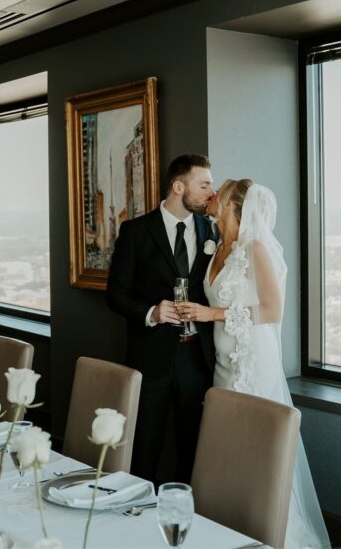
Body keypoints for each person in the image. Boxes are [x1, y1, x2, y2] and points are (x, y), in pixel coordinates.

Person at [179, 179, 331, 549]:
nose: (212, 196)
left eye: (220, 193)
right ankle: (229, 530)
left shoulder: (256, 248)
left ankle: (272, 535)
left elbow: (271, 310)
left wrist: (209, 313)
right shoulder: (217, 249)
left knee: (257, 449)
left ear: (233, 206)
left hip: (253, 361)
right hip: (223, 362)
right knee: (226, 446)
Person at [106, 154, 216, 483]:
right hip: (151, 359)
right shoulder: (136, 232)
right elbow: (115, 294)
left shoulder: (212, 230)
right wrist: (152, 312)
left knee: (194, 447)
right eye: (204, 184)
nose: (211, 192)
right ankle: (137, 513)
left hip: (198, 359)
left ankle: (186, 520)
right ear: (178, 186)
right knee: (144, 447)